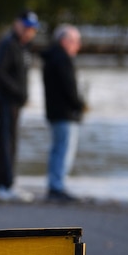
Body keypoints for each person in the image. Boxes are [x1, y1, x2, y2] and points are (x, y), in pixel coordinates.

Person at [0, 10, 39, 202]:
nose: (30, 32)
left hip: (17, 102)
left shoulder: (24, 47)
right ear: (17, 24)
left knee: (11, 140)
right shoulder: (8, 44)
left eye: (32, 29)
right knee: (6, 140)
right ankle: (5, 184)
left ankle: (1, 182)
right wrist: (17, 91)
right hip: (6, 100)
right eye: (26, 27)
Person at [41, 24, 85, 202]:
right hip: (65, 113)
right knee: (63, 150)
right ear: (64, 41)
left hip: (54, 111)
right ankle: (57, 188)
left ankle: (55, 186)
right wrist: (79, 105)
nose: (78, 45)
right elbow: (69, 88)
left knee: (57, 149)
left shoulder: (51, 57)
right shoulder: (62, 59)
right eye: (75, 41)